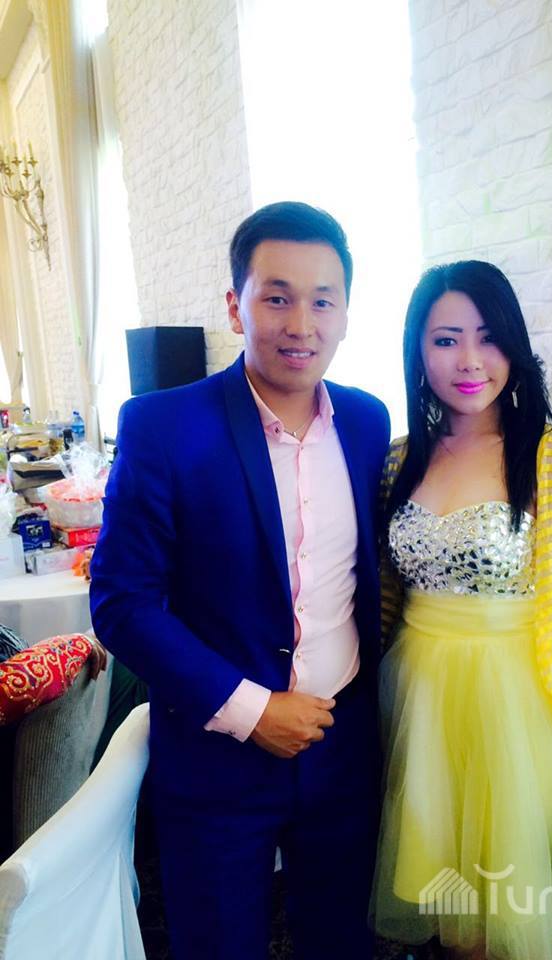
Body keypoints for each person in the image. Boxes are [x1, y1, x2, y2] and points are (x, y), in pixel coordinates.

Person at [90, 201, 390, 960]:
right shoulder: (164, 426)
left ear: (346, 313)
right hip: (217, 757)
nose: (302, 324)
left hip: (343, 744)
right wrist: (253, 711)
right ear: (236, 305)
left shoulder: (365, 422)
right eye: (277, 297)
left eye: (323, 301)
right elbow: (123, 601)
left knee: (342, 941)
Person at [369, 261, 552, 960]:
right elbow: (384, 601)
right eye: (446, 340)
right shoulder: (397, 461)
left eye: (489, 337)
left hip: (519, 713)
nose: (470, 360)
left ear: (514, 346)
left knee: (517, 922)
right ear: (418, 351)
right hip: (421, 706)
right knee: (454, 916)